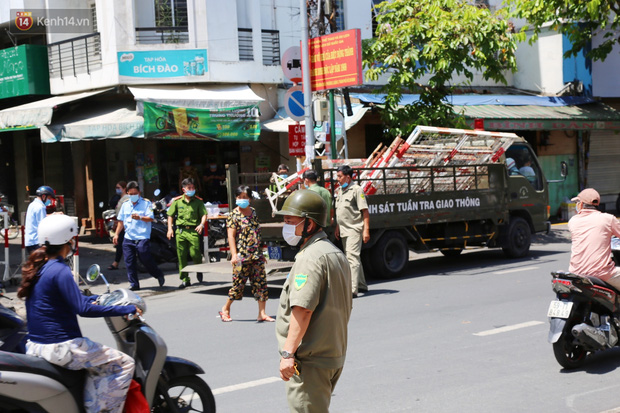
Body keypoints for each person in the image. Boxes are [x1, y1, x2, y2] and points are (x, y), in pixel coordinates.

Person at [18, 214, 139, 413]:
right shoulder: (60, 270)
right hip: (62, 347)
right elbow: (82, 309)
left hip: (36, 346)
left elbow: (72, 299)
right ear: (70, 240)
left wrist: (96, 298)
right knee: (125, 363)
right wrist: (125, 308)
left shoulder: (41, 268)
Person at [274, 189, 352, 412]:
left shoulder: (310, 258)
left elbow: (303, 310)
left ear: (310, 224)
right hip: (331, 355)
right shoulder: (334, 254)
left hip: (309, 361)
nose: (286, 226)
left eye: (290, 221)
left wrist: (288, 354)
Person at [219, 185, 274, 322]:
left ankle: (262, 313)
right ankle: (225, 308)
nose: (242, 200)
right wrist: (234, 254)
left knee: (260, 284)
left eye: (245, 197)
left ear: (250, 199)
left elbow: (256, 233)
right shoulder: (233, 215)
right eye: (239, 197)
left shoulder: (253, 212)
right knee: (238, 284)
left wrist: (261, 252)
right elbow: (231, 236)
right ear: (236, 198)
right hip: (241, 256)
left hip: (256, 255)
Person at [114, 181, 165, 291]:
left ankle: (158, 274)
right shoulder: (125, 205)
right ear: (127, 193)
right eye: (131, 194)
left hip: (142, 236)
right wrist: (116, 234)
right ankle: (134, 284)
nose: (133, 196)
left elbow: (151, 218)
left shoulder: (146, 204)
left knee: (144, 257)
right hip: (128, 237)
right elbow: (121, 221)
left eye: (135, 194)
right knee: (129, 262)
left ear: (139, 193)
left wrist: (140, 217)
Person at [569, 188, 620, 289]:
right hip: (601, 273)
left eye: (577, 202)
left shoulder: (573, 221)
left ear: (581, 204)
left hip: (576, 272)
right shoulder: (608, 219)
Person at [334, 165, 370, 297]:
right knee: (354, 258)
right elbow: (340, 210)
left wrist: (366, 230)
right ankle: (361, 284)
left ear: (348, 177)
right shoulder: (340, 191)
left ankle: (352, 289)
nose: (337, 179)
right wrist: (337, 226)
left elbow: (364, 211)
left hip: (354, 229)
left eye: (340, 176)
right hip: (343, 230)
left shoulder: (356, 190)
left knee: (351, 258)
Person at [167, 178, 207, 289]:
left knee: (195, 253)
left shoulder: (198, 202)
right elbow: (170, 215)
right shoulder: (177, 202)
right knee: (181, 256)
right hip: (180, 231)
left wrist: (201, 224)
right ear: (183, 189)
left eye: (193, 188)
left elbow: (204, 214)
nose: (191, 190)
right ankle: (185, 279)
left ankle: (199, 269)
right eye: (189, 188)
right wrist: (170, 229)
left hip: (193, 230)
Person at [25, 185, 56, 255]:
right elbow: (43, 225)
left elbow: (38, 218)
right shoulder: (40, 207)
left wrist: (54, 214)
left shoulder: (32, 204)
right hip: (37, 242)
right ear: (44, 196)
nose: (50, 201)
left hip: (30, 241)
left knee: (36, 264)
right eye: (49, 198)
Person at [108, 181, 129, 271]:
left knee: (122, 245)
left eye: (118, 187)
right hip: (120, 225)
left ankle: (116, 263)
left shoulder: (126, 198)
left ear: (124, 188)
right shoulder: (120, 199)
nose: (117, 189)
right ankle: (116, 262)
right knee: (120, 244)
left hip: (125, 226)